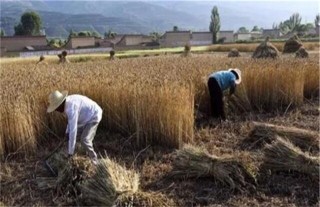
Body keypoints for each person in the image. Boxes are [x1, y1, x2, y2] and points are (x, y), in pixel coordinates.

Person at [47, 90, 103, 164]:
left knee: (85, 140)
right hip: (84, 117)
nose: (56, 110)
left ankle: (94, 160)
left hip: (94, 115)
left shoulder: (71, 108)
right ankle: (82, 153)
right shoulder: (66, 105)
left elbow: (73, 131)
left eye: (56, 108)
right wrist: (67, 132)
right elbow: (70, 122)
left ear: (60, 104)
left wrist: (70, 153)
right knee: (74, 138)